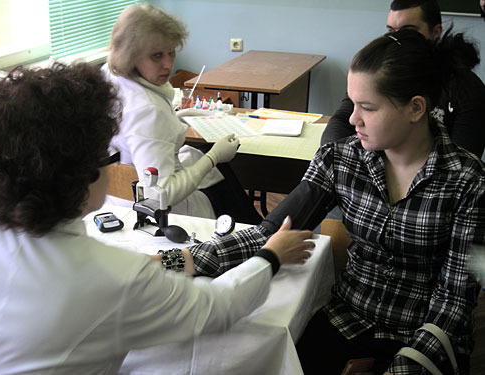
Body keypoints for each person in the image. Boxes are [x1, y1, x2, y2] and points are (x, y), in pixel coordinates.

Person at [186, 29, 485, 374]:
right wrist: (184, 260)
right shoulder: (341, 159)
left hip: (425, 335)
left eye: (367, 108)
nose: (352, 119)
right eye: (352, 103)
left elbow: (453, 304)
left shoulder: (469, 182)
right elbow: (271, 232)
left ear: (416, 108)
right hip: (348, 318)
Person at [0, 62, 315, 373]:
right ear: (83, 175)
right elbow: (219, 307)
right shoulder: (115, 277)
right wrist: (271, 256)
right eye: (106, 154)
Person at [102, 3, 262, 224]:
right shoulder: (148, 110)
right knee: (217, 167)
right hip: (160, 213)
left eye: (172, 52)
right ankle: (257, 235)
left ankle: (258, 231)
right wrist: (214, 157)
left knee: (202, 158)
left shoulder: (111, 77)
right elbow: (162, 193)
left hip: (115, 198)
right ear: (130, 55)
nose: (168, 64)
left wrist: (178, 116)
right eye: (156, 56)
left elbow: (132, 134)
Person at [321, 0, 485, 159]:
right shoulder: (377, 72)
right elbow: (341, 121)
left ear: (435, 32)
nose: (399, 40)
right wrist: (334, 163)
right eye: (392, 32)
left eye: (408, 31)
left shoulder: (468, 90)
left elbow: (461, 160)